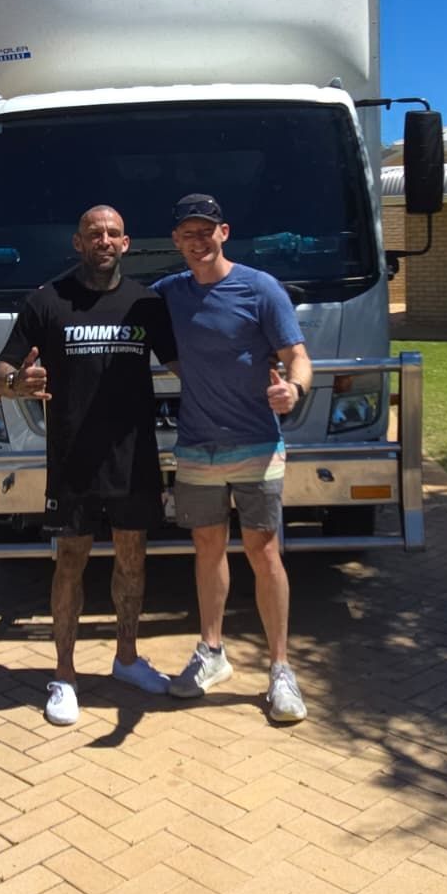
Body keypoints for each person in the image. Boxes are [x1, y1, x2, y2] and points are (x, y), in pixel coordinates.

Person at [0, 204, 177, 727]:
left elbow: (188, 365)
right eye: (94, 233)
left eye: (113, 233)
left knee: (133, 560)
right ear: (78, 243)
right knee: (69, 563)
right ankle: (65, 675)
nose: (104, 240)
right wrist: (15, 384)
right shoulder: (46, 301)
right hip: (72, 460)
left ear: (126, 243)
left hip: (133, 458)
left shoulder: (147, 304)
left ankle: (125, 659)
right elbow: (5, 366)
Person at [153, 193, 312, 723]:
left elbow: (297, 356)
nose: (197, 242)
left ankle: (281, 670)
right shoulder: (169, 293)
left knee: (264, 551)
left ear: (225, 232)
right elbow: (112, 305)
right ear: (176, 241)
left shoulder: (260, 288)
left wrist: (294, 390)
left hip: (257, 444)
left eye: (206, 231)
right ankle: (211, 652)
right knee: (207, 548)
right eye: (187, 234)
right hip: (197, 445)